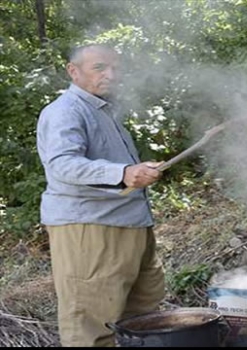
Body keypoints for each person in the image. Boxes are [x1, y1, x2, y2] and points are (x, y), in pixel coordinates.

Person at [36, 44, 166, 347]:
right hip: (90, 231)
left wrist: (136, 172)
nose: (111, 75)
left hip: (129, 226)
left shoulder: (102, 110)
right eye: (100, 68)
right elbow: (62, 164)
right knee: (91, 328)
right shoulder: (65, 110)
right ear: (73, 71)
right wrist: (122, 173)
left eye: (115, 68)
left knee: (143, 318)